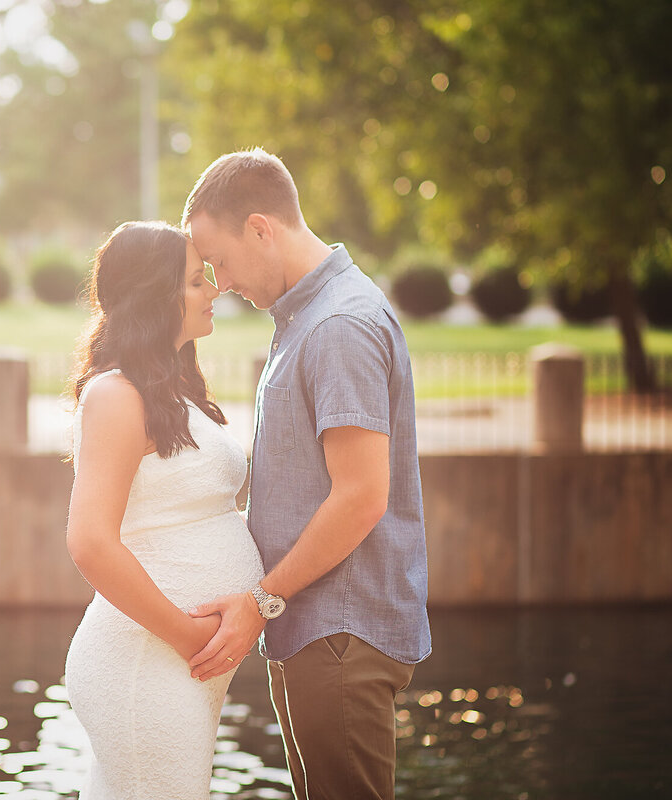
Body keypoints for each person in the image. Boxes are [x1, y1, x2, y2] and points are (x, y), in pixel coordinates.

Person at [181, 148, 431, 800]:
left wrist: (260, 602)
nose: (222, 281)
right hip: (316, 630)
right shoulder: (305, 318)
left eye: (222, 261)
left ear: (261, 228)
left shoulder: (338, 326)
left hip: (337, 634)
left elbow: (360, 498)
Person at [63, 220, 265, 799]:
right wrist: (186, 636)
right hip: (144, 660)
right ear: (157, 296)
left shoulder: (173, 390)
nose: (214, 290)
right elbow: (91, 542)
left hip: (182, 662)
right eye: (198, 280)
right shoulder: (115, 395)